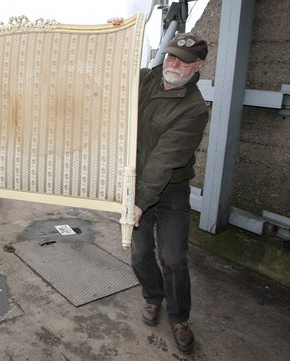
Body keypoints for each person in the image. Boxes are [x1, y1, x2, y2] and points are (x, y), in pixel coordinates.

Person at [109, 17, 209, 353]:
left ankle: (180, 317)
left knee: (174, 257)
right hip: (135, 183)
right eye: (169, 56)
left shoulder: (194, 109)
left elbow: (165, 159)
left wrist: (139, 202)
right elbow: (105, 76)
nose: (173, 63)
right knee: (139, 253)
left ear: (198, 66)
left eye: (182, 60)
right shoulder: (142, 81)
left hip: (170, 190)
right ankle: (153, 297)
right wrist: (114, 35)